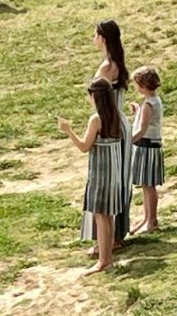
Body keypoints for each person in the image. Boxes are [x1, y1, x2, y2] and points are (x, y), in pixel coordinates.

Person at [59, 78, 124, 275]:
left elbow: (84, 147)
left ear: (95, 96)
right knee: (108, 216)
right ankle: (108, 257)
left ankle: (104, 261)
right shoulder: (117, 116)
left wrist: (68, 130)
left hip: (100, 174)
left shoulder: (96, 119)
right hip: (114, 172)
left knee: (100, 216)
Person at [81, 20, 131, 250]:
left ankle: (108, 241)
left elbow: (100, 99)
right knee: (120, 180)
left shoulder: (106, 67)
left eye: (95, 34)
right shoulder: (118, 62)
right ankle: (115, 235)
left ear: (102, 38)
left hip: (110, 126)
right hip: (121, 124)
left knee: (106, 183)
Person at [128, 66, 164, 235]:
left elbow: (141, 129)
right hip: (151, 145)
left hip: (147, 146)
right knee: (147, 184)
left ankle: (151, 220)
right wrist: (138, 111)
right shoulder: (154, 101)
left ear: (143, 86)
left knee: (148, 185)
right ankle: (147, 218)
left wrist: (127, 142)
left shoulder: (149, 104)